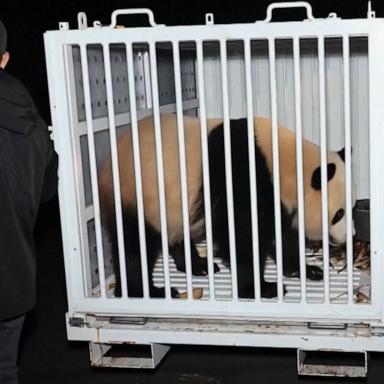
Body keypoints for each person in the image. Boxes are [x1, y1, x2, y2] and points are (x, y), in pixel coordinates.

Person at [0, 19, 58, 384]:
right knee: (6, 371)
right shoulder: (32, 123)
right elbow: (48, 191)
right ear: (4, 59)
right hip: (14, 277)